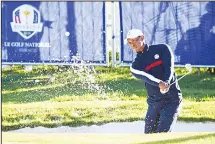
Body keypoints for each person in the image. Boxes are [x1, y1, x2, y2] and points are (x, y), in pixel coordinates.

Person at [124, 29, 182, 134]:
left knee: (162, 133)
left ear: (142, 38)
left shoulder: (162, 48)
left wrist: (166, 81)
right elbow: (147, 77)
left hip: (171, 99)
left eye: (134, 41)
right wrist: (160, 83)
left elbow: (169, 67)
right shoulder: (135, 66)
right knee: (148, 134)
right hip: (154, 101)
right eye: (129, 42)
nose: (132, 45)